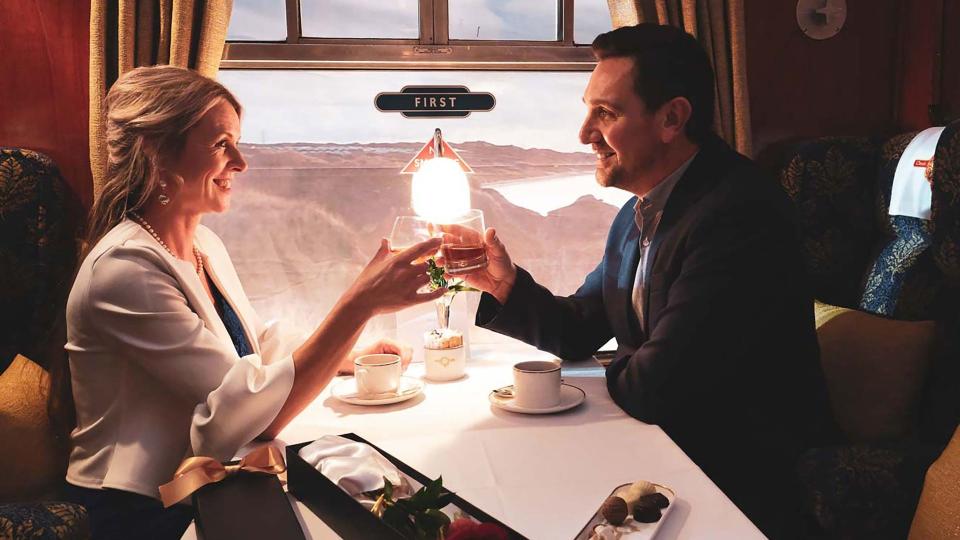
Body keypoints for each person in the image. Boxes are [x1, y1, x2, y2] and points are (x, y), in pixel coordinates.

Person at [457, 25, 835, 537]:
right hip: (665, 442)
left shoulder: (740, 214)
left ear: (672, 118)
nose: (584, 132)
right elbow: (578, 331)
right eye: (588, 109)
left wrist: (630, 362)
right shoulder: (639, 213)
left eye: (606, 113)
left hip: (737, 478)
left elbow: (658, 389)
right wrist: (503, 285)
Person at [63, 65, 446, 539]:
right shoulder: (124, 272)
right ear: (156, 152)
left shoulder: (203, 245)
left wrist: (347, 356)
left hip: (211, 485)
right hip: (145, 510)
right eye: (222, 144)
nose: (241, 162)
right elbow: (241, 418)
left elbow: (247, 350)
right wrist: (360, 304)